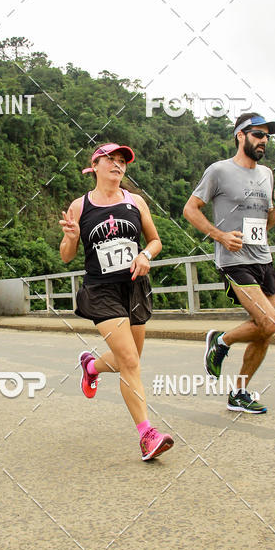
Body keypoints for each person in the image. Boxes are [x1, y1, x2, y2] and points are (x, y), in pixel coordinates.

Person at [59, 143, 174, 460]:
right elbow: (67, 256)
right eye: (110, 159)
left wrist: (145, 254)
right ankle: (147, 435)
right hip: (101, 291)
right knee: (131, 363)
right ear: (94, 166)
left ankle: (91, 365)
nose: (117, 164)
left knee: (131, 358)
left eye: (122, 160)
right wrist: (70, 238)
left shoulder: (135, 202)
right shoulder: (80, 207)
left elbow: (155, 240)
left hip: (135, 287)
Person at [183, 112, 275, 413]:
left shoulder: (267, 174)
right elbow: (190, 209)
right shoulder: (219, 171)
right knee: (270, 322)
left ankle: (239, 393)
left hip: (262, 258)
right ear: (240, 135)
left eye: (267, 136)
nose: (263, 141)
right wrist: (220, 235)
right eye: (257, 134)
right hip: (234, 259)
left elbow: (266, 225)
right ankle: (222, 341)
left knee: (265, 330)